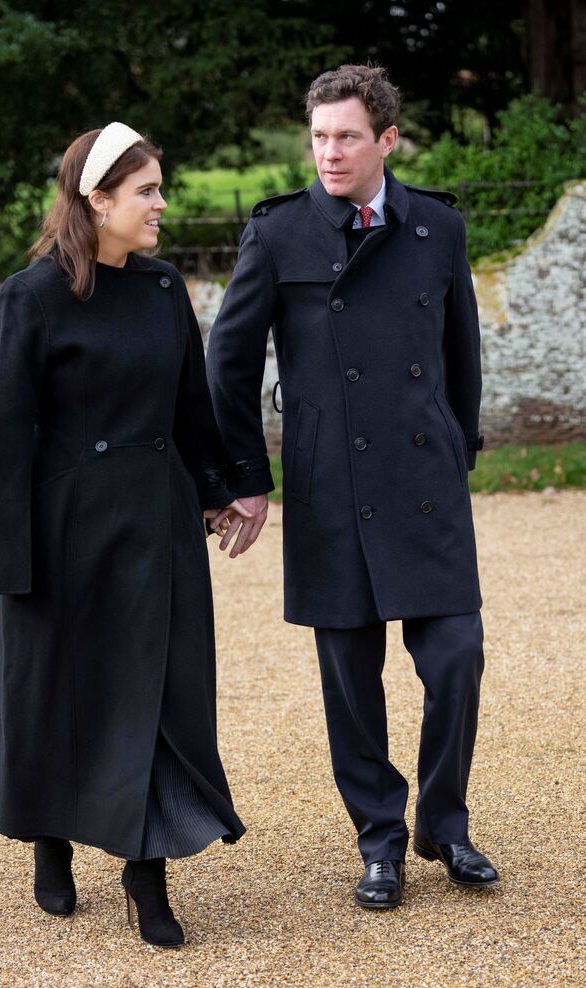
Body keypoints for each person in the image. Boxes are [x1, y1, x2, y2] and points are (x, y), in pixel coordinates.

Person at [206, 65, 499, 909]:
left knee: (458, 659)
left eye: (346, 137)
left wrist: (456, 445)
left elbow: (462, 352)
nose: (329, 153)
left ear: (387, 141)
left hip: (426, 481)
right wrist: (247, 479)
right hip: (331, 487)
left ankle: (443, 822)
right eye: (319, 137)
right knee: (350, 681)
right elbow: (228, 367)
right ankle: (380, 841)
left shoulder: (437, 226)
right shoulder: (278, 233)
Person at [0, 122, 251, 947]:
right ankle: (51, 842)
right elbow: (4, 442)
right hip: (64, 537)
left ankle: (146, 874)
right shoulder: (30, 298)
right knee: (56, 695)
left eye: (160, 188)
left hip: (157, 527)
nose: (161, 204)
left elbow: (192, 408)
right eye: (147, 191)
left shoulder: (164, 289)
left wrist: (218, 493)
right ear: (97, 200)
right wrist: (9, 566)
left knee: (158, 696)